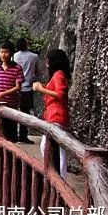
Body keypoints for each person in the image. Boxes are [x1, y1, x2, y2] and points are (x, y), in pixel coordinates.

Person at [33, 49, 70, 179]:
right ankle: (58, 176)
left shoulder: (58, 74)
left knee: (51, 147)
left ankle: (59, 177)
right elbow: (54, 90)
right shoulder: (58, 75)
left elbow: (60, 94)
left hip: (57, 115)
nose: (46, 61)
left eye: (49, 58)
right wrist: (43, 86)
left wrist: (41, 89)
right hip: (55, 114)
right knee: (54, 147)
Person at [13, 38, 42, 143]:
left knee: (14, 111)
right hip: (27, 88)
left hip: (15, 88)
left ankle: (13, 135)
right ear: (26, 44)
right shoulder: (34, 56)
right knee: (25, 113)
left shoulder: (15, 56)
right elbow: (38, 71)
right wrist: (33, 78)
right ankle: (23, 136)